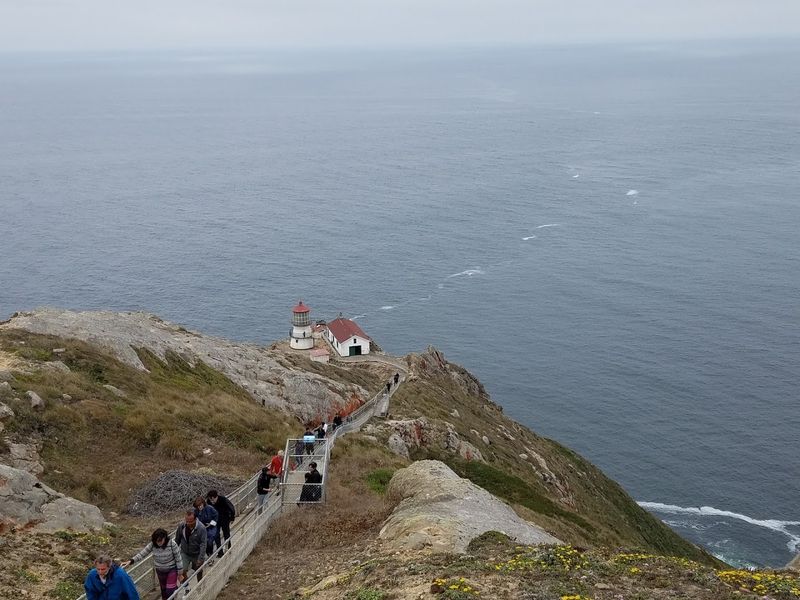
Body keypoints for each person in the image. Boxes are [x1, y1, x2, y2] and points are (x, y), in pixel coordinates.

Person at [123, 529, 181, 600]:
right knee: (163, 591)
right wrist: (131, 561)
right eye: (156, 541)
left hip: (171, 569)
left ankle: (175, 588)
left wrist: (180, 572)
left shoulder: (172, 544)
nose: (158, 543)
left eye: (160, 540)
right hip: (160, 570)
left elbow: (178, 558)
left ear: (164, 537)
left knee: (169, 591)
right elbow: (142, 553)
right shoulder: (152, 544)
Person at [175, 509, 207, 583]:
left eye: (190, 521)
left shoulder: (201, 528)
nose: (188, 523)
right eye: (187, 521)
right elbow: (177, 540)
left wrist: (200, 558)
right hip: (185, 552)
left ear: (195, 519)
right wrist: (175, 554)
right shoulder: (181, 526)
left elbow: (203, 544)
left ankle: (200, 584)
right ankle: (186, 588)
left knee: (198, 570)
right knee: (181, 571)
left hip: (197, 553)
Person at [206, 490, 235, 557]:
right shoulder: (209, 502)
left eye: (212, 499)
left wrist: (232, 518)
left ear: (214, 497)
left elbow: (231, 507)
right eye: (210, 500)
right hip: (215, 521)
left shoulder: (223, 499)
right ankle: (220, 552)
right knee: (216, 536)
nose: (211, 501)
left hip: (225, 519)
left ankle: (228, 549)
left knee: (226, 534)